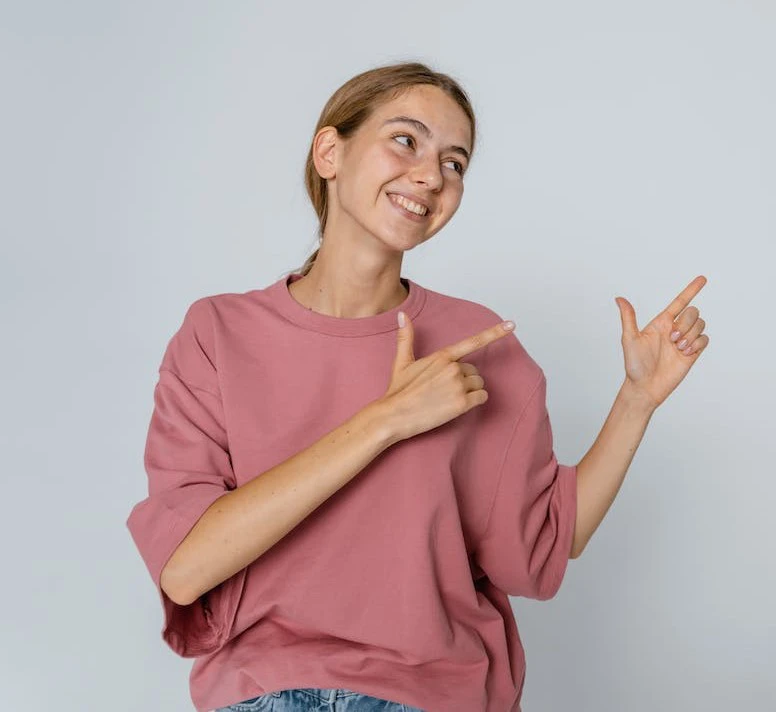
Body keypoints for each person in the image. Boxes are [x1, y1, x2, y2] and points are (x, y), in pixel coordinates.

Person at [125, 61, 710, 712]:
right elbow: (185, 570)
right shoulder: (220, 333)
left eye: (455, 163)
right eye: (406, 140)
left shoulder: (480, 344)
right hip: (264, 691)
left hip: (429, 695)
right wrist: (386, 419)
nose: (432, 176)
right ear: (330, 151)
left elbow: (544, 546)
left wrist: (637, 401)